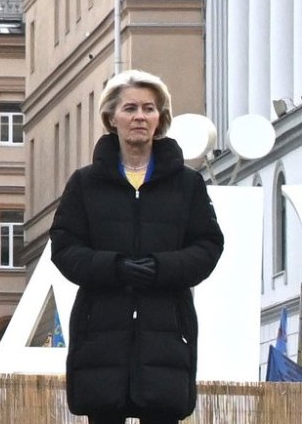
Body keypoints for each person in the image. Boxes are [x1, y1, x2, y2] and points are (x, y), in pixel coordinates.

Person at [49, 69, 224, 424]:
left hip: (167, 332)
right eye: (130, 108)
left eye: (149, 108)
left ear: (161, 119)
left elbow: (207, 246)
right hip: (100, 333)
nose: (140, 117)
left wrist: (161, 268)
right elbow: (64, 247)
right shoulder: (85, 184)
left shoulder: (188, 184)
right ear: (111, 117)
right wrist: (114, 268)